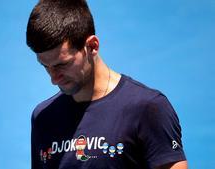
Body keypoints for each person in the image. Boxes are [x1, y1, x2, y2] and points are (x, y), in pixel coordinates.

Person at [26, 0, 188, 169]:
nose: (54, 79)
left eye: (62, 65)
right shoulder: (44, 118)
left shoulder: (147, 108)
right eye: (46, 67)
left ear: (92, 46)